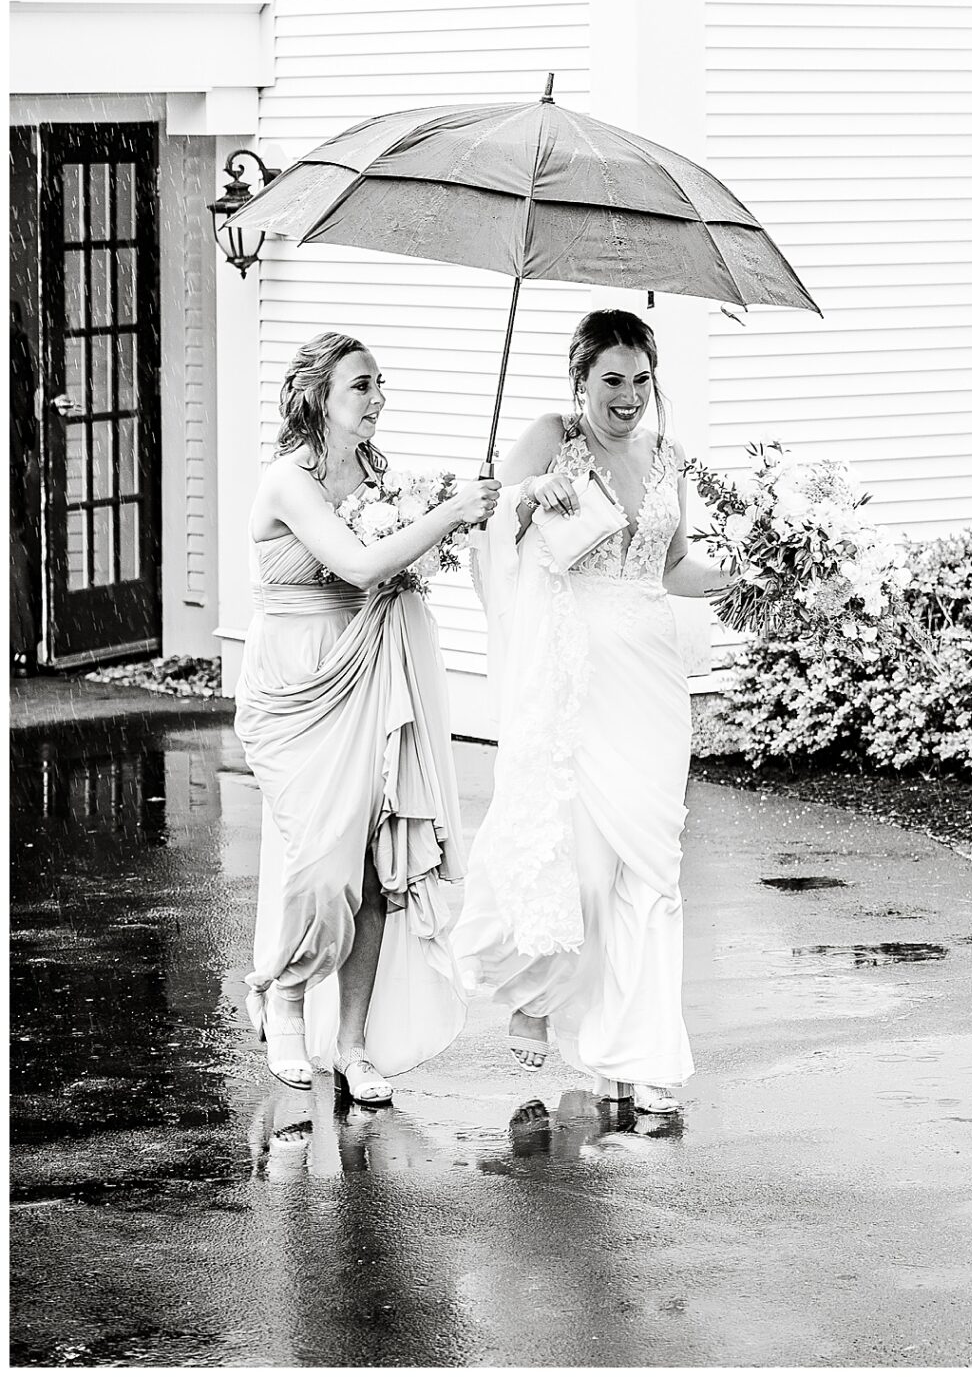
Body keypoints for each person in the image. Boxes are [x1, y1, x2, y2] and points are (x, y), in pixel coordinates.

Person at [453, 307, 733, 1113]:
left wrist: (754, 575)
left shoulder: (670, 456)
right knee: (581, 867)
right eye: (613, 380)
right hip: (572, 672)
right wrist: (522, 497)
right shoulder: (551, 437)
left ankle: (641, 1055)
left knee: (652, 865)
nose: (629, 398)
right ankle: (538, 991)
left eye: (642, 381)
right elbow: (489, 528)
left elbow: (673, 566)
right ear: (580, 382)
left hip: (649, 672)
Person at [235, 332, 499, 1107]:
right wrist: (447, 514)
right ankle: (280, 999)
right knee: (318, 858)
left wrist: (452, 526)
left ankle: (352, 1044)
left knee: (377, 860)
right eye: (361, 386)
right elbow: (355, 563)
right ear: (317, 396)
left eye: (381, 384)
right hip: (295, 680)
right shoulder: (288, 481)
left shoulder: (379, 475)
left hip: (368, 671)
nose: (377, 399)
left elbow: (393, 566)